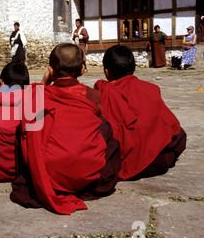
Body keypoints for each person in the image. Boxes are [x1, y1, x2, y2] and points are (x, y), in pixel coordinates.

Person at [10, 43, 121, 215]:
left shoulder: (39, 96)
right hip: (87, 175)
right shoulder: (91, 95)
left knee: (27, 127)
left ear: (51, 70)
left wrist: (45, 81)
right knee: (105, 127)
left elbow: (27, 107)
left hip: (50, 173)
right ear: (82, 70)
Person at [94, 45, 187, 181]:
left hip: (117, 165)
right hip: (156, 163)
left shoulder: (101, 93)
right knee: (178, 133)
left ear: (106, 72)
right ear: (133, 68)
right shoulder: (150, 89)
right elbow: (170, 125)